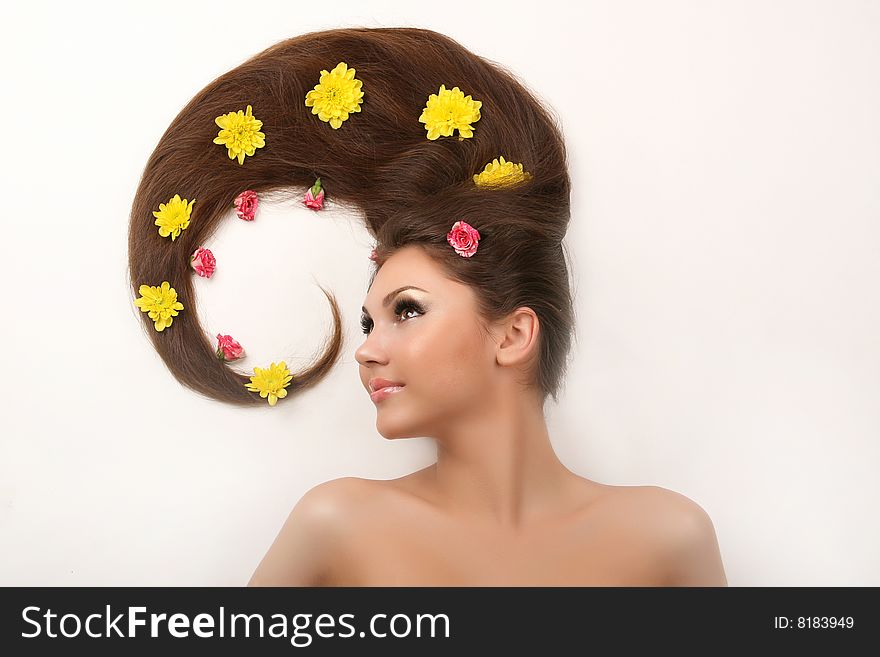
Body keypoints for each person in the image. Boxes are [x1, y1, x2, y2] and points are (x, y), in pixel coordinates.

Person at [127, 26, 727, 586]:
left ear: (514, 334)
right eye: (367, 321)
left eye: (407, 310)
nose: (364, 350)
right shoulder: (337, 526)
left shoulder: (668, 539)